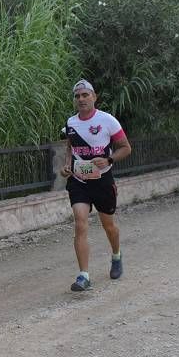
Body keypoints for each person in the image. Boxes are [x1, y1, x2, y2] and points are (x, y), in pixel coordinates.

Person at [58, 79, 132, 291]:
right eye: (77, 96)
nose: (81, 99)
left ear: (94, 97)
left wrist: (109, 160)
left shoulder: (108, 121)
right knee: (80, 222)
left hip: (103, 181)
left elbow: (126, 148)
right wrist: (66, 166)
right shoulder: (71, 123)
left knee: (109, 226)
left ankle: (116, 255)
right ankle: (84, 275)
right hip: (79, 181)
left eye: (85, 95)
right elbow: (70, 150)